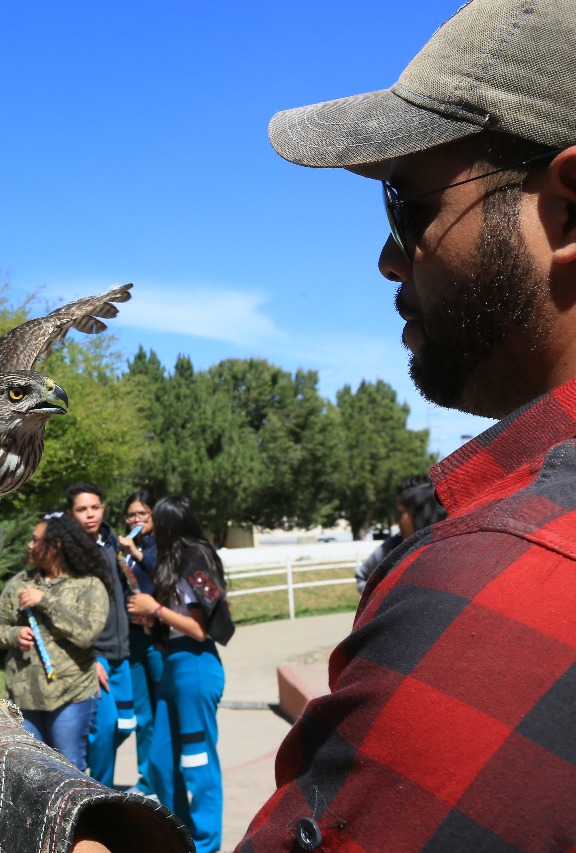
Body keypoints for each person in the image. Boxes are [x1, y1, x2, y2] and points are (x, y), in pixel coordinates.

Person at [245, 0, 576, 848]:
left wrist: (52, 810)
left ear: (571, 213)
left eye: (409, 205)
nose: (391, 257)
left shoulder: (508, 574)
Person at [127, 494, 232, 853]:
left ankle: (206, 844)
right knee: (160, 761)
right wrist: (152, 617)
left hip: (196, 665)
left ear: (170, 522)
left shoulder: (196, 557)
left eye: (154, 517)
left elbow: (201, 629)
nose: (147, 522)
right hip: (174, 662)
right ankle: (182, 835)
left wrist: (154, 608)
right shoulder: (173, 560)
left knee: (197, 761)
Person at [0, 512, 109, 770]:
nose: (29, 545)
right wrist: (13, 635)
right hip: (23, 697)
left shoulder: (88, 585)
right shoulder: (19, 583)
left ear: (56, 545)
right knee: (32, 771)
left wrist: (46, 602)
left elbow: (88, 635)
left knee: (69, 768)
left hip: (70, 695)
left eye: (35, 540)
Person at [65, 481, 136, 786]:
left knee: (126, 724)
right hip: (96, 656)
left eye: (95, 507)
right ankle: (99, 792)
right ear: (71, 513)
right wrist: (88, 658)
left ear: (103, 509)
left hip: (123, 654)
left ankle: (90, 778)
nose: (90, 515)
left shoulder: (111, 543)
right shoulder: (69, 552)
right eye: (82, 509)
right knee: (105, 728)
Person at [116, 490, 160, 800]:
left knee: (163, 708)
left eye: (142, 514)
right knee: (143, 712)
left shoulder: (162, 546)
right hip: (132, 637)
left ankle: (164, 773)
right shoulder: (124, 551)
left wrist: (139, 553)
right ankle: (146, 776)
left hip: (158, 636)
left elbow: (165, 576)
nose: (136, 519)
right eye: (132, 514)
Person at [354, 474, 446, 592]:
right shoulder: (391, 549)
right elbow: (362, 576)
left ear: (420, 514)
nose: (396, 521)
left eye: (400, 513)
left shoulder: (453, 548)